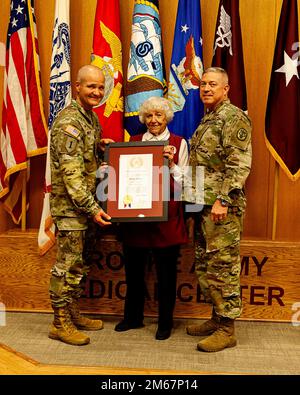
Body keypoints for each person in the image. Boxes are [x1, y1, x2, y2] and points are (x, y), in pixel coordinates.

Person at [185, 67, 252, 352]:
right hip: (203, 204)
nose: (207, 89)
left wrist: (223, 200)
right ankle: (216, 316)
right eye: (203, 85)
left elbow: (238, 164)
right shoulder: (208, 119)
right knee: (206, 264)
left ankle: (227, 329)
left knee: (223, 266)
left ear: (226, 89)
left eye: (213, 84)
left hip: (221, 208)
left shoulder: (232, 117)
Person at [48, 65, 113, 346]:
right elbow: (71, 174)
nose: (97, 92)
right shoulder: (69, 122)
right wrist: (93, 208)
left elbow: (84, 156)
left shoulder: (89, 119)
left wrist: (99, 146)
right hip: (72, 209)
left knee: (82, 264)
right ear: (77, 87)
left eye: (100, 87)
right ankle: (59, 322)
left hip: (85, 208)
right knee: (68, 265)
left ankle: (72, 311)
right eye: (91, 87)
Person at [115, 96, 189, 340]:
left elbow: (185, 184)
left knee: (166, 275)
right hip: (135, 218)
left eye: (158, 115)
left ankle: (165, 322)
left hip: (166, 219)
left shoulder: (179, 144)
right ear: (143, 118)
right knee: (133, 273)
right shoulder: (133, 141)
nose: (153, 120)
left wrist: (171, 164)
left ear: (166, 117)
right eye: (149, 115)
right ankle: (132, 317)